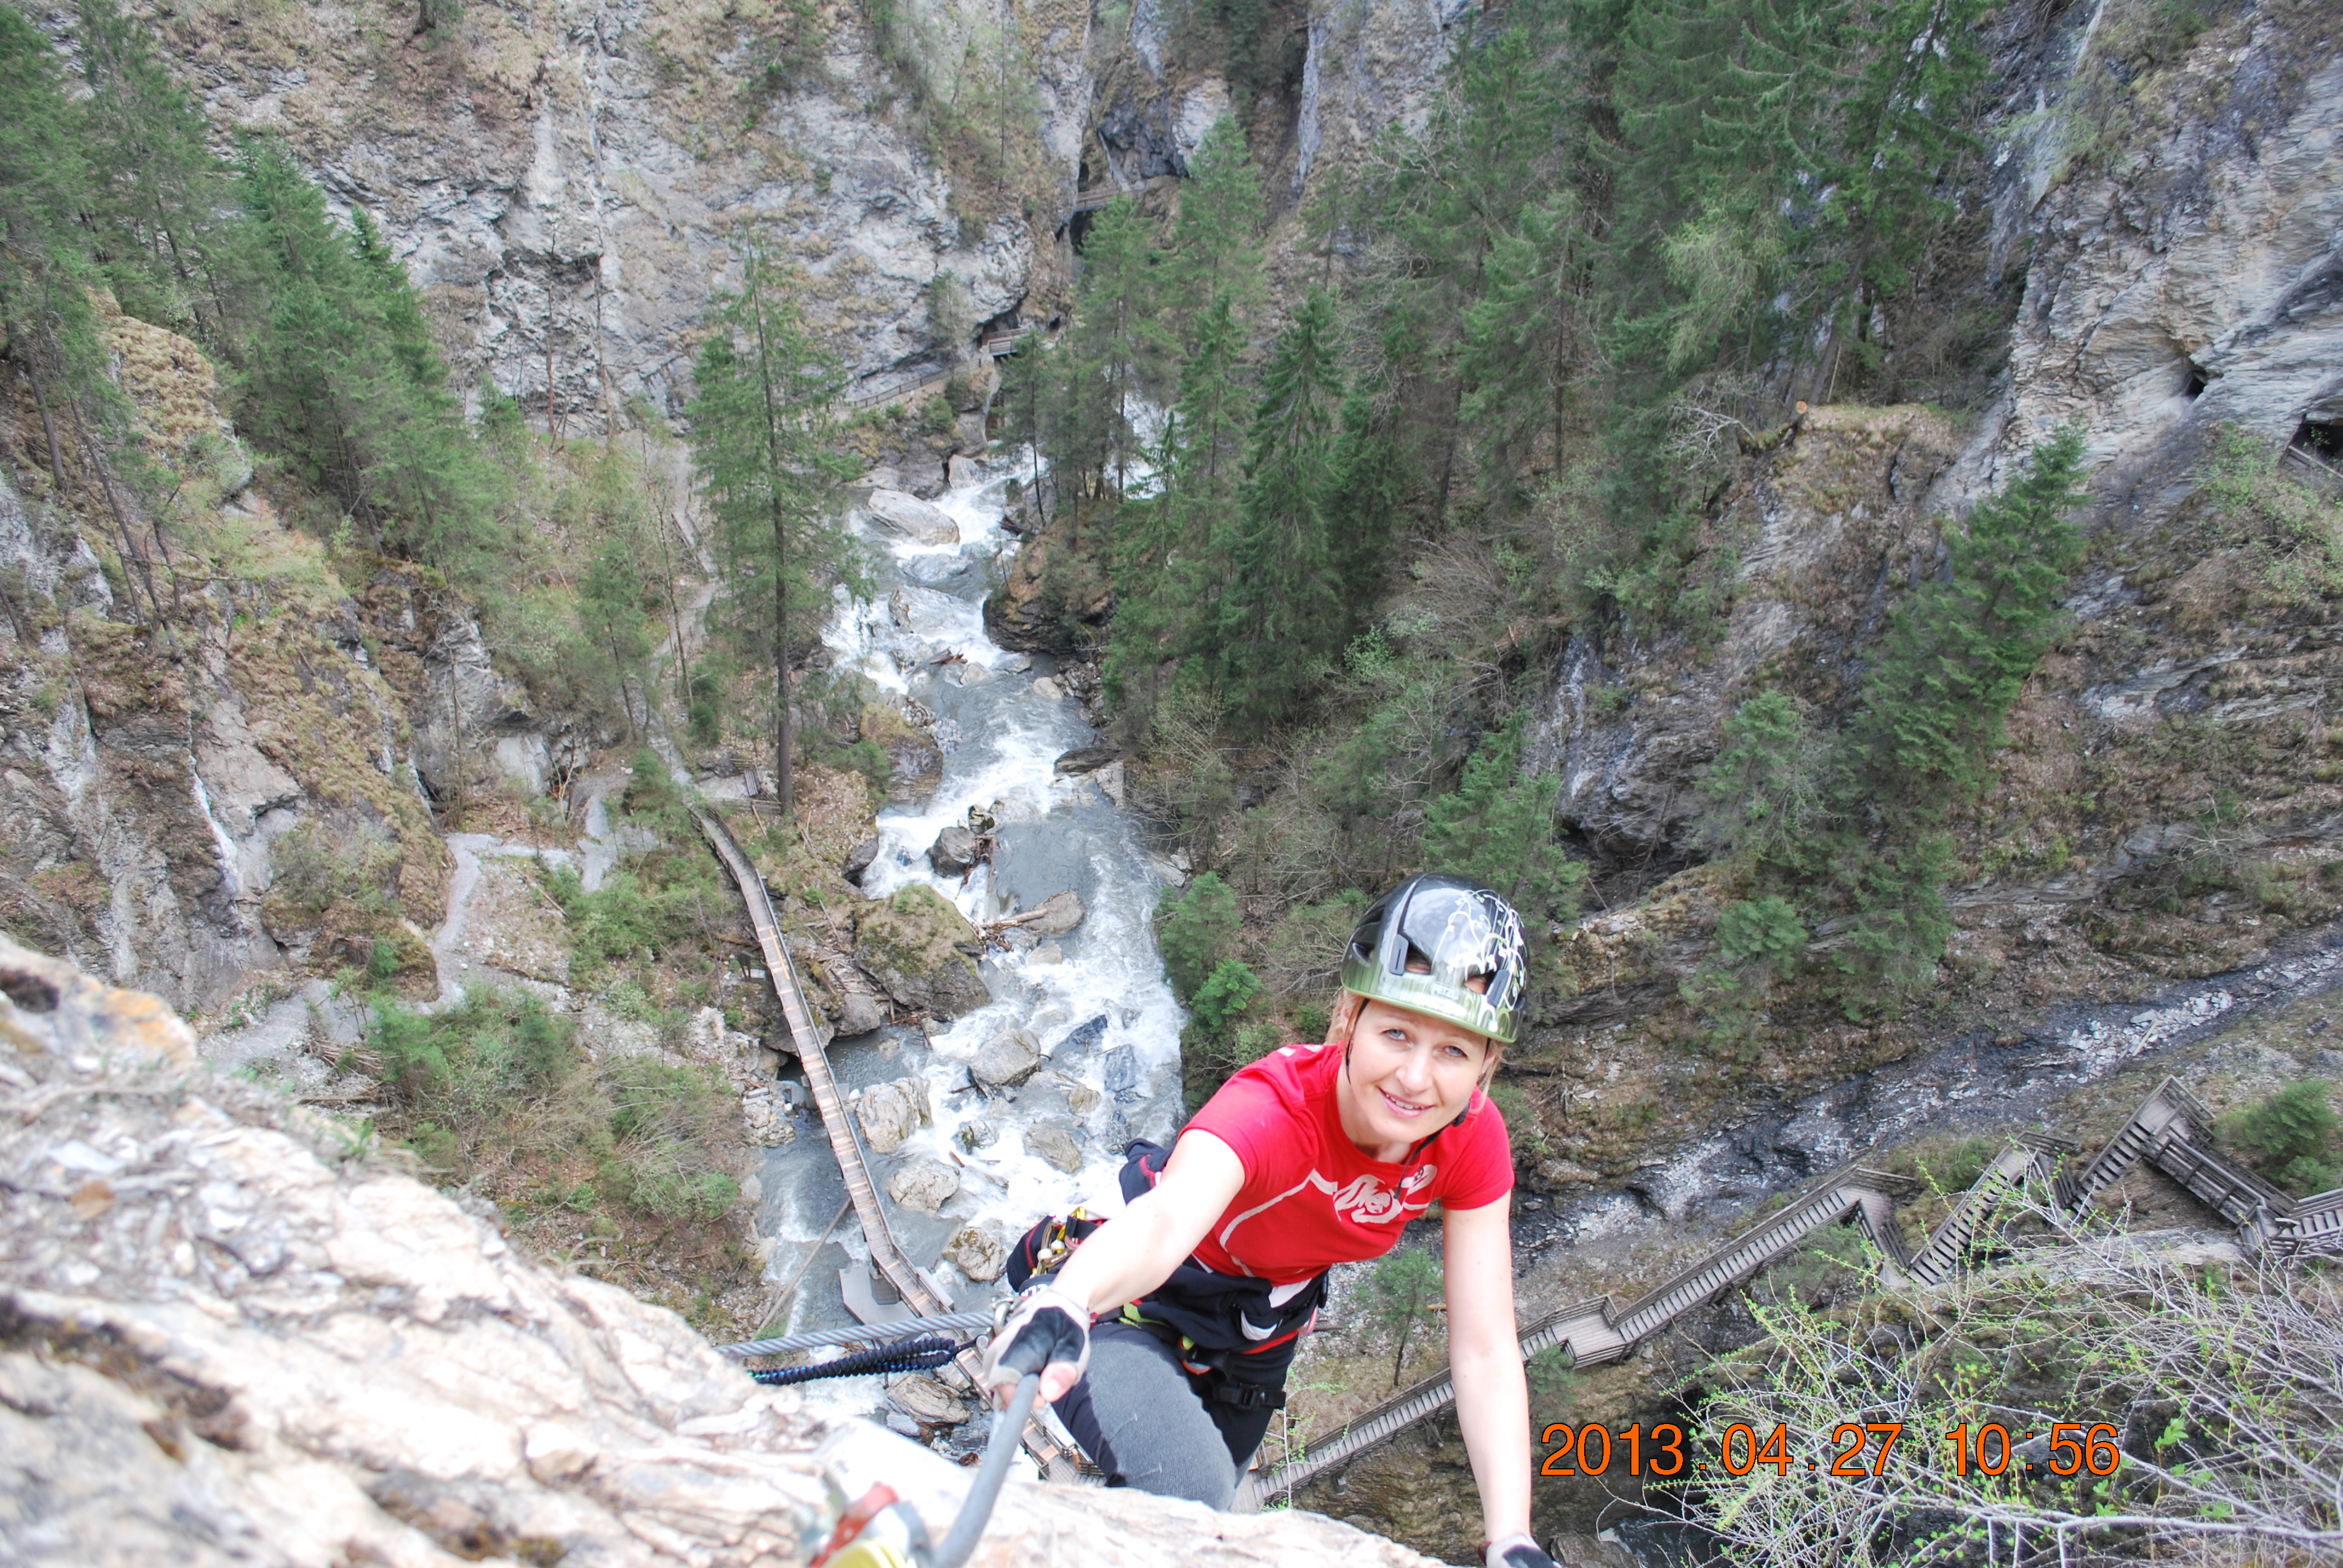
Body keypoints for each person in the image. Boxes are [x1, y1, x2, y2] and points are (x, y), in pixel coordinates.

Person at [978, 873, 1558, 1568]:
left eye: (1453, 1051)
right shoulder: (1273, 1108)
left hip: (1255, 1338)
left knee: (1205, 1512)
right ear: (1347, 1019)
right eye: (1395, 1033)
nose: (1413, 1078)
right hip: (1126, 1302)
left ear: (1487, 1063)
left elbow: (1486, 1348)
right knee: (1190, 1496)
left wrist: (1510, 1538)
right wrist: (1070, 1299)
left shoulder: (1471, 1141)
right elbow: (1166, 1222)